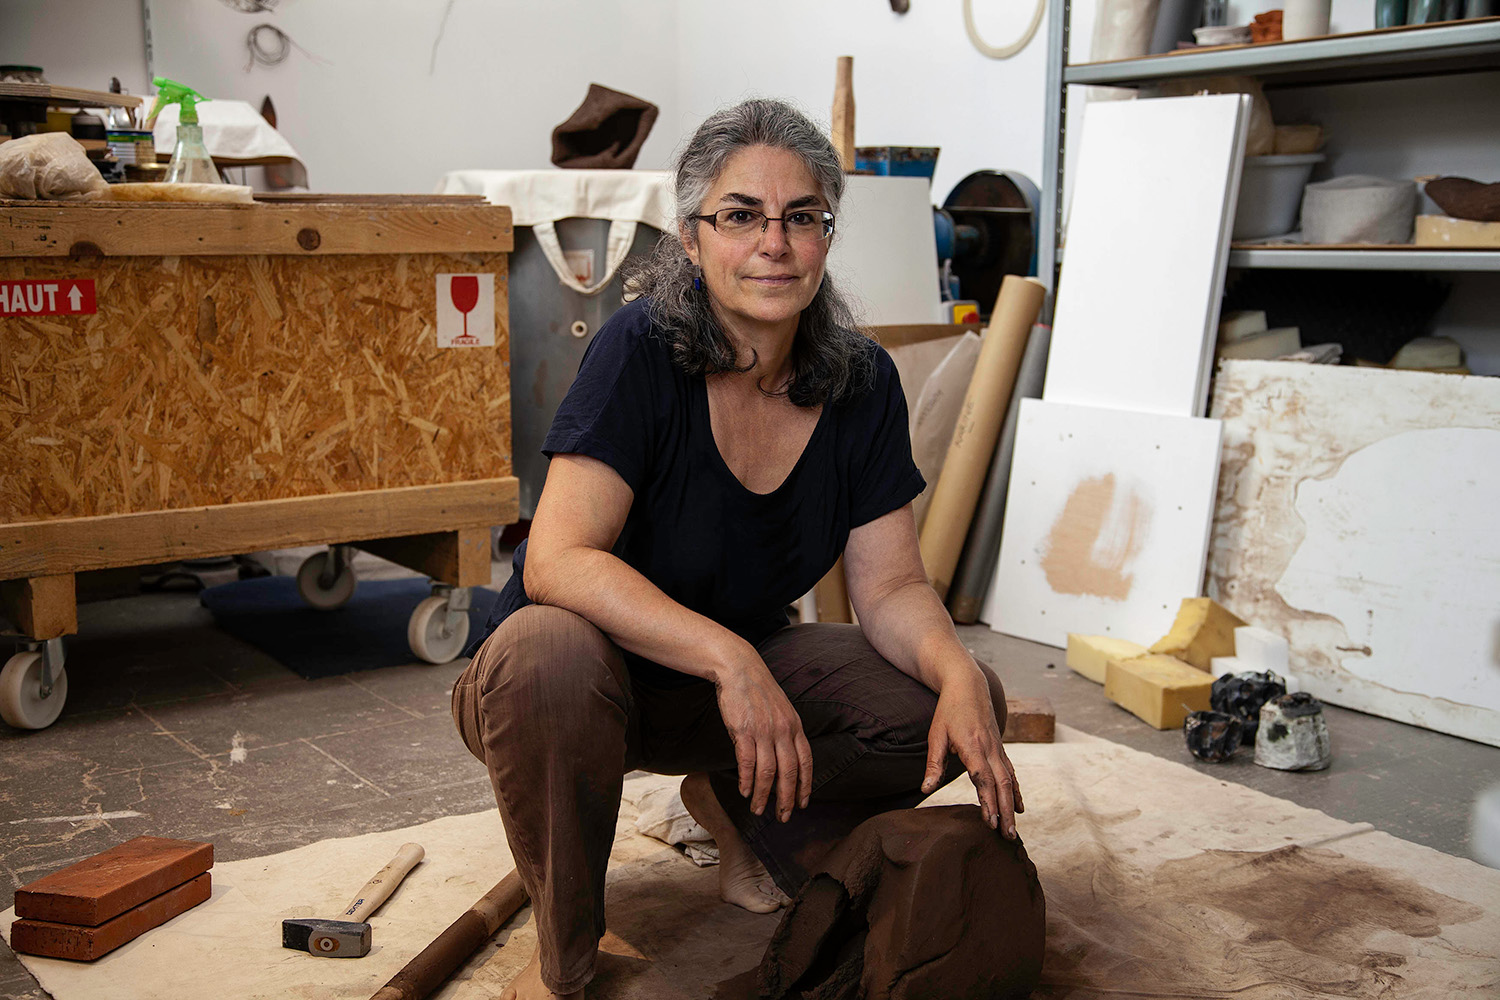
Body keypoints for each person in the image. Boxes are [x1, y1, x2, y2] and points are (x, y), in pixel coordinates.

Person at [451, 97, 1023, 1000]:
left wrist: (957, 675)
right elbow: (557, 560)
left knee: (955, 697)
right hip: (567, 686)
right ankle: (565, 955)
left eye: (802, 217)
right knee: (546, 652)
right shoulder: (639, 350)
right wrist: (729, 658)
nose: (775, 244)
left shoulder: (861, 380)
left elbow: (890, 587)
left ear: (827, 236)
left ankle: (742, 815)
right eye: (742, 216)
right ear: (691, 238)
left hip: (729, 693)